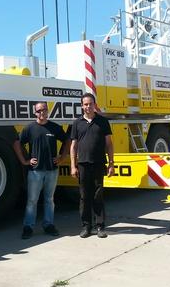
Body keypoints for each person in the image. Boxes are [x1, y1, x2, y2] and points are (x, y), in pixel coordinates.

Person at [13, 101, 69, 239]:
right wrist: (24, 161)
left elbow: (68, 140)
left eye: (44, 110)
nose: (41, 113)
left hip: (52, 170)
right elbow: (16, 143)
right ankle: (28, 227)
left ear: (47, 111)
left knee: (49, 199)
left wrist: (62, 157)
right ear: (35, 113)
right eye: (38, 111)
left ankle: (48, 225)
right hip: (35, 171)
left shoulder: (55, 127)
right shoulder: (29, 128)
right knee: (32, 200)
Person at [70, 93, 115, 238]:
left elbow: (109, 144)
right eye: (85, 104)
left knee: (98, 195)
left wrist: (111, 164)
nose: (88, 107)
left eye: (90, 104)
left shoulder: (103, 122)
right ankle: (86, 227)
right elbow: (73, 146)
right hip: (83, 164)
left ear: (94, 105)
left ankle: (100, 227)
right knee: (84, 196)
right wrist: (73, 165)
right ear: (82, 106)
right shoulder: (77, 123)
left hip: (99, 163)